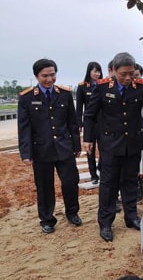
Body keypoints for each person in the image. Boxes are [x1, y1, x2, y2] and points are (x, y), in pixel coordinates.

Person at [83, 52, 143, 242]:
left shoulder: (141, 87)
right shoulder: (101, 88)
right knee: (108, 184)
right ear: (114, 71)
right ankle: (105, 223)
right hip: (110, 144)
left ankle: (131, 217)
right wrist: (88, 139)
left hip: (133, 142)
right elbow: (90, 115)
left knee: (130, 182)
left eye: (131, 73)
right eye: (123, 74)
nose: (127, 78)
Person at [17, 58, 82, 234]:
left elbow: (72, 123)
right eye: (45, 76)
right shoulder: (27, 98)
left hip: (64, 148)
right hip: (41, 150)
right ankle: (47, 219)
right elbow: (24, 128)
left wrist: (76, 146)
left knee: (70, 182)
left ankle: (72, 212)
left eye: (52, 75)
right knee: (44, 187)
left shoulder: (64, 94)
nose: (49, 79)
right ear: (37, 76)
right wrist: (26, 153)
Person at [76, 61, 103, 184]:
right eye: (94, 71)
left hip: (102, 122)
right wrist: (79, 124)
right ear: (89, 72)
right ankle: (93, 175)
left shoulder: (104, 85)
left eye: (98, 71)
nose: (97, 74)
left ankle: (101, 168)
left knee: (104, 148)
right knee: (90, 150)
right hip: (90, 123)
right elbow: (79, 108)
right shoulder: (82, 87)